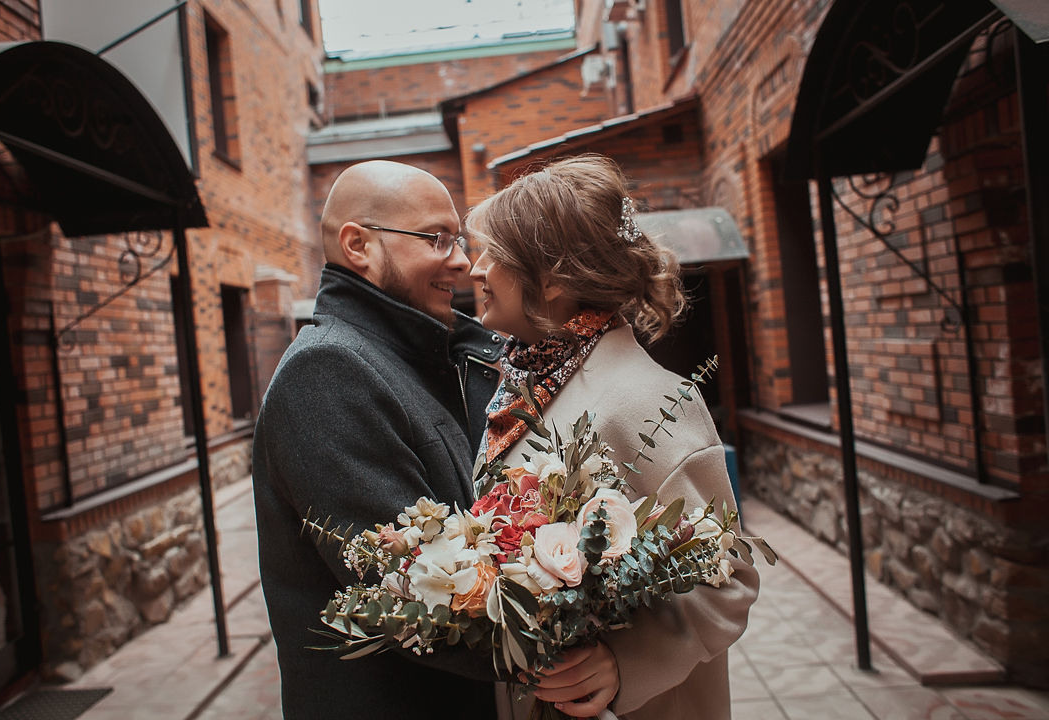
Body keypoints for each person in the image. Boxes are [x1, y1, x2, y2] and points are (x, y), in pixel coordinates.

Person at [467, 154, 760, 720]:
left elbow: (728, 577)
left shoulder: (645, 400)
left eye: (493, 255)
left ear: (551, 278)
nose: (475, 270)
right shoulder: (527, 381)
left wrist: (625, 664)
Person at [252, 160, 506, 719]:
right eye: (437, 239)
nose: (462, 261)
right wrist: (573, 639)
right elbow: (416, 596)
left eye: (458, 240)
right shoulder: (326, 372)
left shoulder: (424, 356)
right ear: (358, 245)